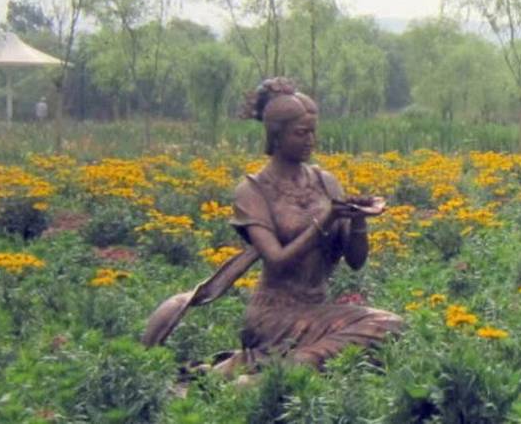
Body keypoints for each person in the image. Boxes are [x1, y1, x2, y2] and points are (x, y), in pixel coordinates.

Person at [142, 77, 403, 374]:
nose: (310, 141)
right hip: (273, 316)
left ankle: (260, 366)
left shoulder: (325, 182)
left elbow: (356, 262)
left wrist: (358, 219)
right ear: (276, 136)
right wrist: (326, 219)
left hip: (317, 309)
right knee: (369, 341)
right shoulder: (253, 191)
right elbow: (277, 261)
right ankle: (284, 367)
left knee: (392, 326)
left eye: (313, 133)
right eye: (300, 133)